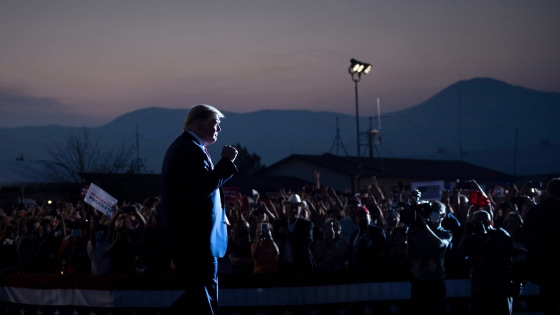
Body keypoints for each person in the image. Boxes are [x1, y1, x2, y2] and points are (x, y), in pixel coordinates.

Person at [159, 104, 238, 315]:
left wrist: (221, 214)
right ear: (200, 124)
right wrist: (226, 163)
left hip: (194, 240)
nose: (219, 129)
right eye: (216, 123)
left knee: (200, 296)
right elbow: (202, 187)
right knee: (204, 299)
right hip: (195, 241)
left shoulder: (188, 147)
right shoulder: (189, 149)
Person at [458, 209, 516, 315]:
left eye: (479, 222)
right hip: (479, 287)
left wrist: (485, 237)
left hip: (498, 287)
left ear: (489, 222)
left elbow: (500, 255)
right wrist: (466, 233)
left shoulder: (501, 235)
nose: (477, 225)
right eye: (474, 222)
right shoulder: (473, 238)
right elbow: (460, 254)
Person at [406, 200, 452, 315]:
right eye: (431, 210)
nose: (432, 214)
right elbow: (409, 255)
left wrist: (425, 226)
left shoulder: (446, 233)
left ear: (443, 215)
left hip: (436, 281)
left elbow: (439, 244)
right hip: (419, 280)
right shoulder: (417, 231)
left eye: (436, 211)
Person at [522, 177, 560, 315]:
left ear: (548, 192)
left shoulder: (534, 212)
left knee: (550, 305)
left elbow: (525, 238)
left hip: (543, 267)